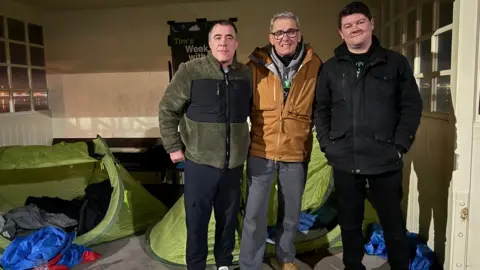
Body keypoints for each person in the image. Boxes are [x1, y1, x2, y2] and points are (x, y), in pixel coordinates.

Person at [313, 2, 423, 270]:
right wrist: (329, 147)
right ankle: (353, 266)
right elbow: (320, 110)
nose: (355, 29)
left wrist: (399, 145)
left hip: (384, 161)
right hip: (345, 163)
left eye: (360, 22)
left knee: (393, 225)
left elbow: (411, 106)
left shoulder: (395, 63)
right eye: (348, 26)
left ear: (372, 24)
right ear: (341, 33)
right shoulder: (330, 68)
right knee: (350, 225)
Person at [158, 20, 252, 270]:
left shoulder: (246, 74)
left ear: (236, 43)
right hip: (200, 164)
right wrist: (173, 146)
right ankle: (196, 266)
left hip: (233, 166)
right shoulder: (190, 71)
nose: (223, 42)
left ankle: (223, 263)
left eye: (229, 37)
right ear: (209, 43)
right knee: (197, 221)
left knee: (228, 219)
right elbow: (168, 109)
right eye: (218, 37)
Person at [239, 11, 322, 270]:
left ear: (299, 35)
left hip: (296, 153)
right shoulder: (254, 66)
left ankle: (285, 258)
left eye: (291, 31)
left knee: (291, 215)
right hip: (260, 151)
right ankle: (250, 264)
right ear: (270, 37)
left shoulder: (315, 65)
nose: (285, 37)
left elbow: (323, 107)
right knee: (254, 215)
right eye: (279, 33)